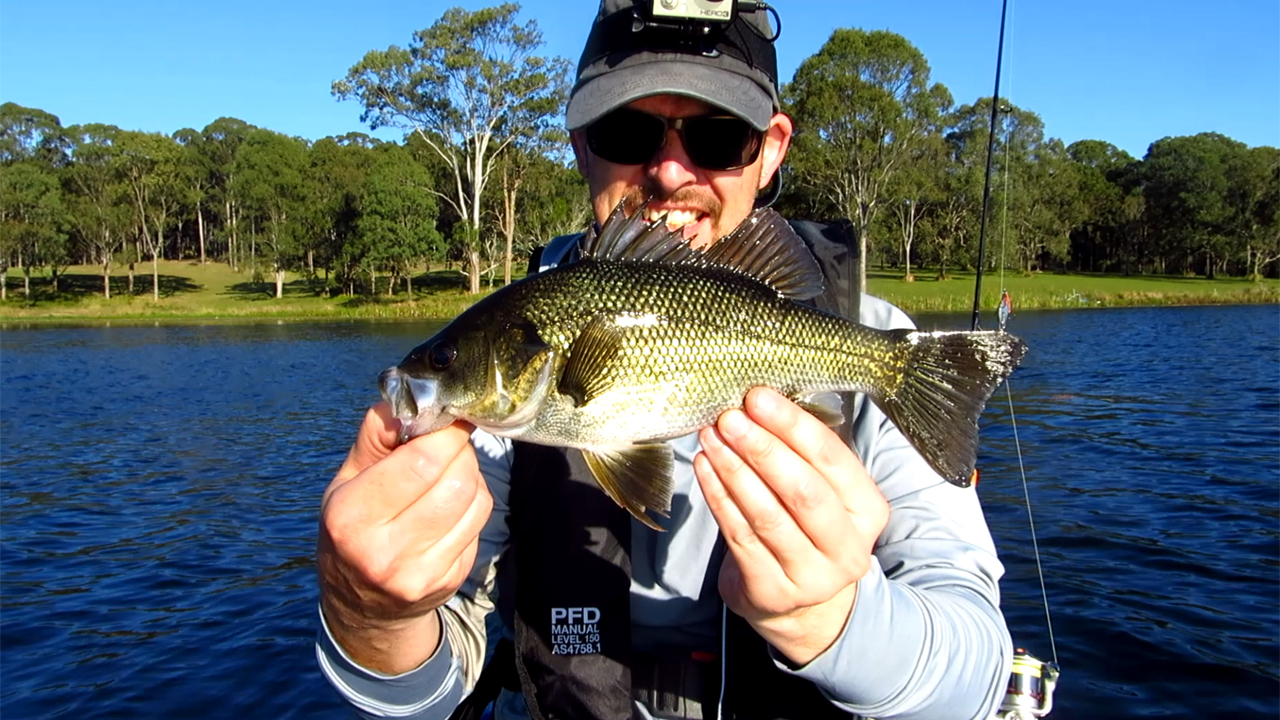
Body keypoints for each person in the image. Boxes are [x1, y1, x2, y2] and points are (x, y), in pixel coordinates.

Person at [316, 2, 1013, 719]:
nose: (671, 170)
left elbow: (981, 678)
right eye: (628, 130)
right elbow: (431, 683)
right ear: (582, 144)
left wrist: (836, 621)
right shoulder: (499, 375)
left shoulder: (872, 344)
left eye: (717, 137)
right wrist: (374, 615)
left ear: (770, 149)